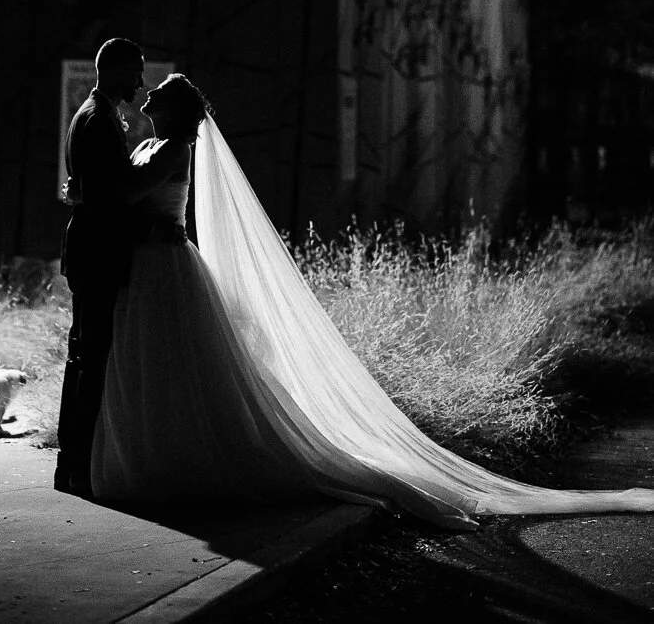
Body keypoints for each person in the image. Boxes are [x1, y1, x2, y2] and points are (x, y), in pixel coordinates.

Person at [90, 72, 654, 529]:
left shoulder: (175, 148)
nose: (150, 93)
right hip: (144, 266)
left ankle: (183, 461)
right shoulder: (145, 141)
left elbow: (129, 192)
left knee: (175, 361)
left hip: (166, 263)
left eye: (160, 91)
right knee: (154, 365)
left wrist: (88, 190)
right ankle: (161, 456)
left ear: (178, 108)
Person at [55, 38, 177, 497]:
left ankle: (73, 464)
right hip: (98, 253)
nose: (141, 83)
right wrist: (150, 230)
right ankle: (78, 467)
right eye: (136, 73)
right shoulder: (98, 120)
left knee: (84, 357)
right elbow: (113, 198)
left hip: (91, 251)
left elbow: (96, 189)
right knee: (91, 361)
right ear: (116, 70)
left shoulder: (96, 114)